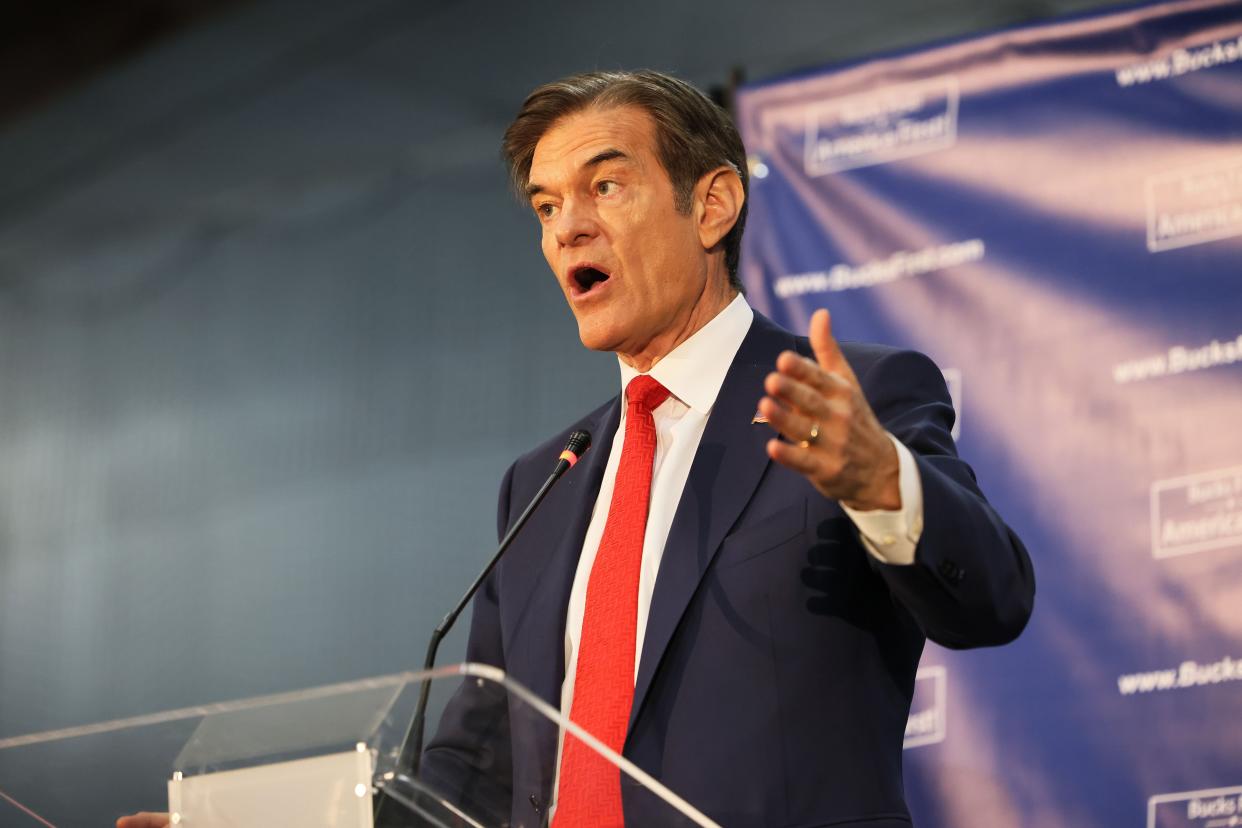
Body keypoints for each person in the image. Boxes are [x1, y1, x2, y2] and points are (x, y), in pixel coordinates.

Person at [121, 69, 1034, 828]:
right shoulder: (542, 483)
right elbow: (472, 777)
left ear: (712, 204)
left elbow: (991, 600)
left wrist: (883, 483)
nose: (567, 228)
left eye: (605, 186)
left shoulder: (853, 400)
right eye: (547, 205)